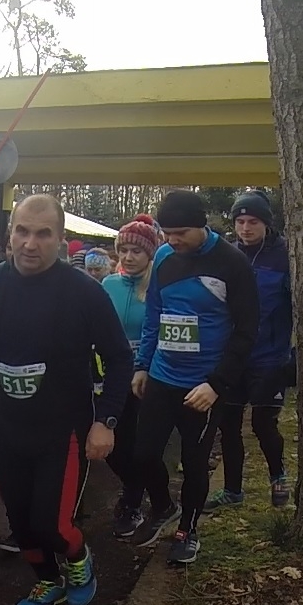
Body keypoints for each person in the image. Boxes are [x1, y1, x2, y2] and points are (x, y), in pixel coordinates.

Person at [0, 194, 132, 605]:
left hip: (62, 432)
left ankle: (80, 563)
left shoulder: (84, 293)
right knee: (22, 523)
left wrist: (106, 421)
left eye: (43, 234)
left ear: (60, 239)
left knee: (53, 525)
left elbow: (120, 358)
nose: (30, 243)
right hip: (9, 428)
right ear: (10, 234)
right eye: (22, 231)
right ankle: (48, 579)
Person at [130, 190, 258, 566]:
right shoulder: (166, 258)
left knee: (194, 460)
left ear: (202, 224)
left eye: (181, 232)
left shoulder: (232, 263)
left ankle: (188, 528)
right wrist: (142, 364)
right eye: (167, 232)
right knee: (143, 454)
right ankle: (165, 508)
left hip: (203, 385)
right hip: (162, 375)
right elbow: (155, 314)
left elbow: (247, 331)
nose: (173, 240)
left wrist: (217, 384)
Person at [206, 190, 295, 510]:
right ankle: (232, 490)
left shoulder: (286, 255)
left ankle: (278, 477)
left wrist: (294, 353)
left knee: (262, 423)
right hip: (233, 354)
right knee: (228, 424)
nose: (245, 228)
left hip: (270, 356)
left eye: (252, 221)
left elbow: (299, 305)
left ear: (266, 223)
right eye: (240, 221)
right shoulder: (229, 254)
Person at [103, 215, 176, 546]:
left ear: (150, 254)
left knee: (139, 447)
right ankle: (135, 492)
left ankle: (139, 503)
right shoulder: (108, 285)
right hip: (110, 379)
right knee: (112, 449)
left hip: (147, 380)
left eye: (136, 251)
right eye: (124, 250)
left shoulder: (159, 287)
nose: (129, 257)